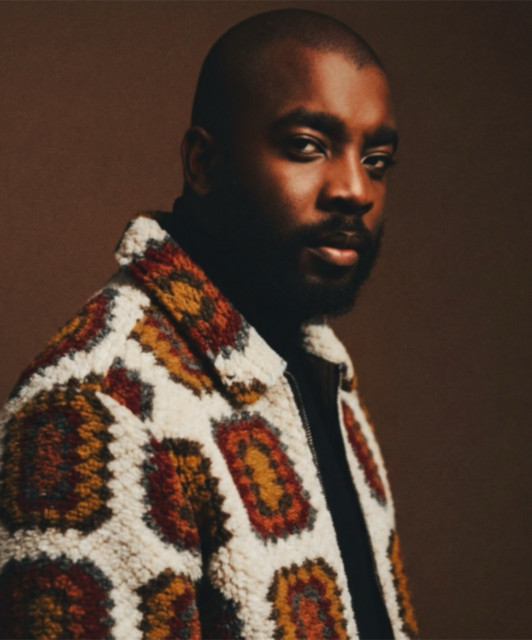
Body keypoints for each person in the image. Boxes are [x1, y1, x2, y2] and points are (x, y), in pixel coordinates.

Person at [0, 9, 418, 639]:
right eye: (307, 146)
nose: (356, 189)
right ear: (202, 163)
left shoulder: (321, 369)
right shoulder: (100, 407)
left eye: (377, 159)